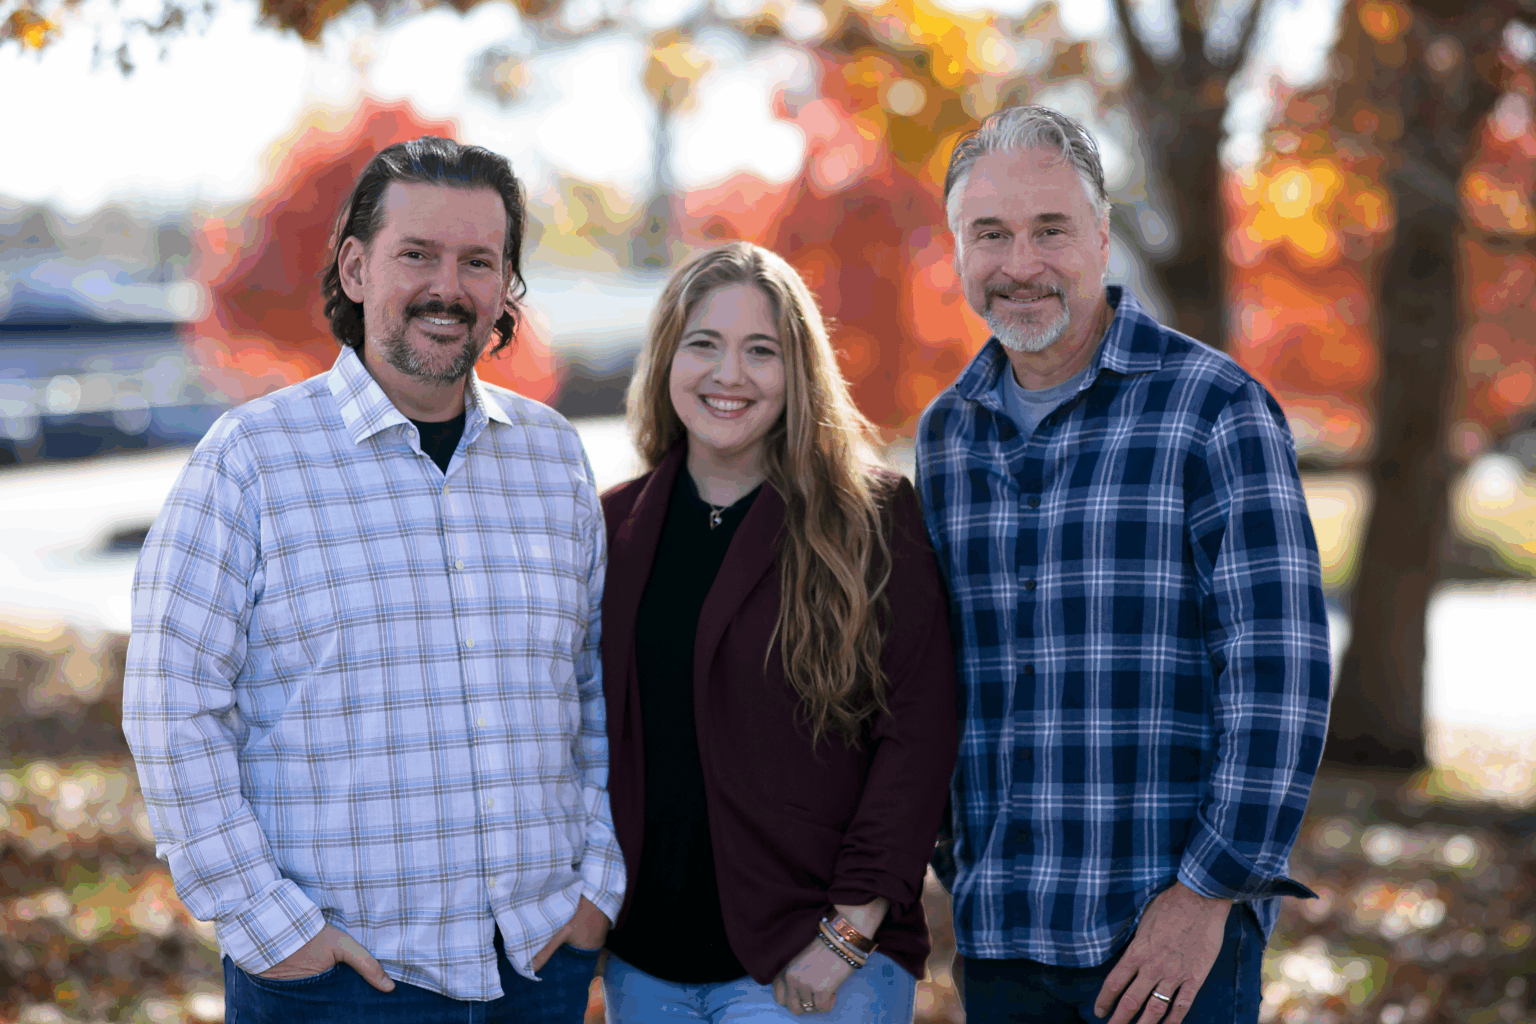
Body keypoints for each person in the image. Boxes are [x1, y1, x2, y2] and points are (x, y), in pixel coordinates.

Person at [122, 136, 623, 1023]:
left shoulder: (554, 457)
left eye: (479, 261)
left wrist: (597, 886)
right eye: (417, 254)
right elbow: (172, 708)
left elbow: (591, 688)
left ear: (506, 286)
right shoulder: (249, 461)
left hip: (535, 967)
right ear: (355, 267)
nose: (448, 286)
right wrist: (272, 928)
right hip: (338, 981)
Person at [916, 106, 1332, 1024]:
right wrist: (959, 860)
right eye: (990, 234)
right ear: (956, 249)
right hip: (1002, 940)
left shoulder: (1214, 409)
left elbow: (1281, 678)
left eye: (1050, 229)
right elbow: (943, 670)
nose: (1019, 264)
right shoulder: (947, 433)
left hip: (1167, 949)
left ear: (1102, 234)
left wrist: (1209, 895)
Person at [597, 241, 959, 1023]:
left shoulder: (871, 521)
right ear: (666, 359)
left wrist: (849, 931)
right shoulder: (613, 526)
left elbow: (918, 735)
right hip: (646, 967)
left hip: (812, 967)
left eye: (761, 351)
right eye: (704, 345)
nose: (729, 375)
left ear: (799, 371)